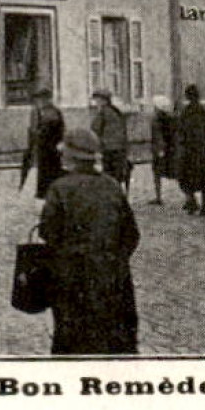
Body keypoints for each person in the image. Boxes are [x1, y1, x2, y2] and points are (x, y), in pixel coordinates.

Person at [39, 128, 141, 355]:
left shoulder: (60, 188)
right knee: (115, 343)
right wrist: (112, 258)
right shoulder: (112, 186)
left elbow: (48, 232)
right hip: (113, 280)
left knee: (74, 343)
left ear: (71, 157)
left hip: (73, 281)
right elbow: (131, 234)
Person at [19, 88, 65, 199]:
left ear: (48, 99)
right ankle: (40, 192)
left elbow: (52, 129)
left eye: (42, 99)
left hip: (49, 148)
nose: (40, 101)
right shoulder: (37, 111)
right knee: (40, 169)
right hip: (39, 147)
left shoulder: (52, 112)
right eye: (38, 99)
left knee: (49, 170)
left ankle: (47, 193)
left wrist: (39, 135)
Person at [176, 85, 205, 216]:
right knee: (204, 177)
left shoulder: (186, 113)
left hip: (189, 150)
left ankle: (191, 202)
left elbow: (181, 131)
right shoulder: (204, 113)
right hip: (203, 150)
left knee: (187, 176)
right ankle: (204, 205)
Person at [91, 89, 130, 190]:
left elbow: (95, 129)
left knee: (108, 175)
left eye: (97, 100)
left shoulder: (103, 112)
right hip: (120, 148)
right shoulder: (116, 111)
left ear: (104, 101)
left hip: (109, 149)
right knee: (117, 175)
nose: (95, 102)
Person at [148, 95, 177, 206]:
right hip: (171, 149)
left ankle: (158, 196)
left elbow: (157, 135)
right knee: (175, 172)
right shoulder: (171, 118)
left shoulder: (156, 119)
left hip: (161, 150)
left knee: (157, 173)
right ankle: (189, 197)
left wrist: (160, 149)